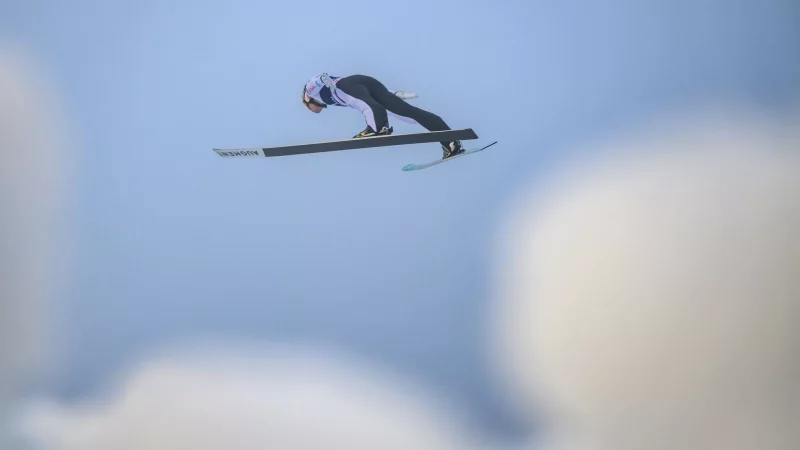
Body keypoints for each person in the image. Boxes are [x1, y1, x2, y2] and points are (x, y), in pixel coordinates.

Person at [302, 73, 465, 159]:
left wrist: (322, 80)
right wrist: (394, 94)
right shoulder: (327, 99)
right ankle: (451, 143)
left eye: (308, 108)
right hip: (366, 82)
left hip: (349, 84)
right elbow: (371, 95)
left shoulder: (312, 92)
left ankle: (377, 128)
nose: (313, 111)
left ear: (308, 100)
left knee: (364, 105)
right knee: (410, 114)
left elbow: (317, 79)